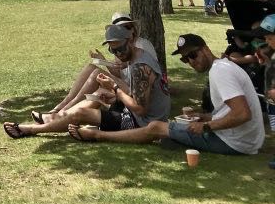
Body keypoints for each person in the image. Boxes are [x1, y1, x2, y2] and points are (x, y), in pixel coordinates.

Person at [68, 33, 265, 156]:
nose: (191, 61)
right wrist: (205, 117)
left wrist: (206, 125)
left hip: (236, 143)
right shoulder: (222, 67)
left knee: (156, 128)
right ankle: (56, 118)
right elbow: (234, 111)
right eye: (185, 59)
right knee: (172, 128)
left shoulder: (220, 71)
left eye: (193, 54)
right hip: (245, 140)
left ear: (206, 49)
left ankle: (97, 135)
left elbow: (242, 114)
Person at [5, 23, 170, 139]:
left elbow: (140, 109)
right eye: (113, 49)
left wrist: (114, 88)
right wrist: (115, 95)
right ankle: (57, 117)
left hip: (141, 123)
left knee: (80, 114)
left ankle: (32, 130)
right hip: (139, 114)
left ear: (131, 41)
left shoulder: (141, 67)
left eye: (120, 47)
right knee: (98, 95)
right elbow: (136, 96)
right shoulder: (138, 56)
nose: (117, 53)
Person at [29, 12, 158, 123]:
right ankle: (61, 109)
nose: (121, 31)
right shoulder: (121, 46)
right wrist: (104, 61)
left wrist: (115, 87)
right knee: (92, 68)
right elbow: (121, 74)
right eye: (117, 28)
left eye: (126, 27)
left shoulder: (140, 47)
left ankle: (60, 115)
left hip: (136, 93)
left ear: (133, 30)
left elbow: (145, 80)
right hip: (130, 90)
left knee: (97, 74)